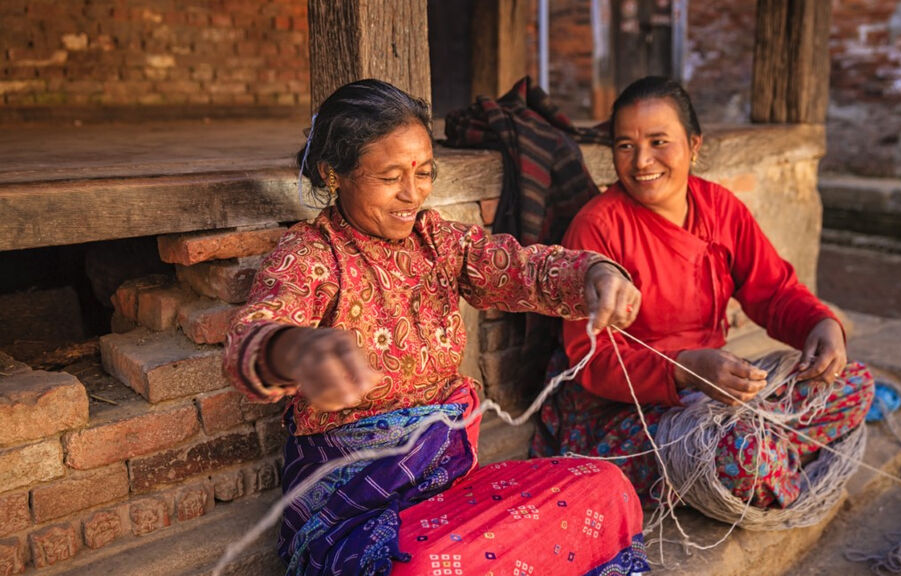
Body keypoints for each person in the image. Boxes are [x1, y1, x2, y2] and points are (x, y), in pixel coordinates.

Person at [222, 79, 650, 576]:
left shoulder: (438, 242)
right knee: (426, 565)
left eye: (424, 173)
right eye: (389, 177)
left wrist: (595, 273)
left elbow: (520, 268)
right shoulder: (309, 257)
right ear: (332, 174)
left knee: (606, 488)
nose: (413, 194)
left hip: (449, 495)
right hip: (355, 519)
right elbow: (252, 336)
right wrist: (296, 350)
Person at [531, 76, 875, 510]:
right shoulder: (598, 226)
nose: (641, 161)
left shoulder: (721, 208)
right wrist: (684, 369)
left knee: (854, 383)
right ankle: (766, 461)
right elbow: (592, 359)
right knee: (742, 455)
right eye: (624, 145)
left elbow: (773, 291)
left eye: (659, 141)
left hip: (713, 393)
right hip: (625, 412)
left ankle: (764, 459)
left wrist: (820, 323)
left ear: (694, 145)